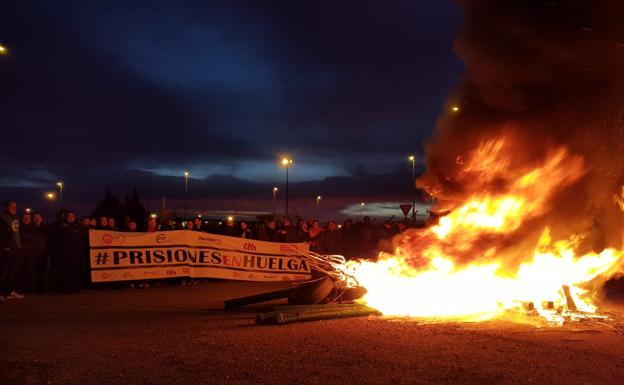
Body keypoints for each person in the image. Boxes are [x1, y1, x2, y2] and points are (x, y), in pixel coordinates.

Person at [0, 201, 23, 300]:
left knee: (11, 272)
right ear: (5, 207)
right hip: (6, 248)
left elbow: (16, 232)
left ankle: (9, 292)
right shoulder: (1, 218)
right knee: (2, 272)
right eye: (12, 206)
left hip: (15, 248)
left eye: (15, 206)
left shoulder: (15, 218)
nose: (14, 208)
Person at [31, 212, 48, 292]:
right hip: (34, 253)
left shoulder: (44, 228)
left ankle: (41, 287)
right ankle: (34, 287)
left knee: (42, 271)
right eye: (35, 217)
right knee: (34, 271)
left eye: (39, 217)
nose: (37, 219)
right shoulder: (31, 228)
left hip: (43, 253)